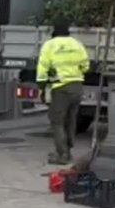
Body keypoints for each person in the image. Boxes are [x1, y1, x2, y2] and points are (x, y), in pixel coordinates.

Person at [36, 21, 90, 165]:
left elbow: (42, 68)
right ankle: (68, 149)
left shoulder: (50, 45)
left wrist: (42, 85)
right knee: (71, 121)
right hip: (77, 86)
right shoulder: (77, 44)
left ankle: (62, 154)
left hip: (60, 88)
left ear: (54, 32)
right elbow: (85, 65)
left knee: (57, 122)